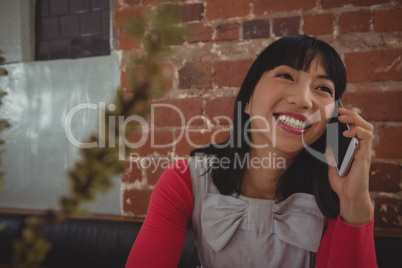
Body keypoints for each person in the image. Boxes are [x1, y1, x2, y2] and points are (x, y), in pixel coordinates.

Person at [125, 35, 377, 267]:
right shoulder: (185, 180)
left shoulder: (332, 194)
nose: (303, 100)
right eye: (286, 76)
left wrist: (354, 202)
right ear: (248, 101)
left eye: (323, 88)